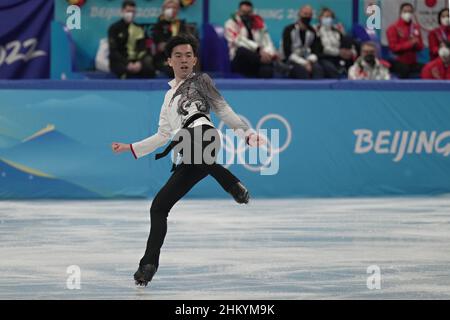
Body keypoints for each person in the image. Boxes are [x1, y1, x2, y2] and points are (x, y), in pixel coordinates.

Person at [111, 35, 264, 287]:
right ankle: (147, 265)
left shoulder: (202, 80)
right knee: (159, 207)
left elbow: (223, 109)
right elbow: (162, 135)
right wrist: (131, 147)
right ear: (169, 60)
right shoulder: (168, 98)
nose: (184, 60)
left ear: (195, 60)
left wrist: (246, 133)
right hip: (189, 151)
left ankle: (232, 184)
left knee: (191, 139)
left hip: (204, 134)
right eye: (178, 56)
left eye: (188, 55)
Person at [224, 1, 277, 78]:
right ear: (238, 11)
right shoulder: (231, 23)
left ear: (252, 12)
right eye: (243, 12)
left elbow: (267, 41)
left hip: (257, 60)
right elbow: (238, 40)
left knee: (267, 70)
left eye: (248, 12)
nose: (246, 15)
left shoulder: (259, 23)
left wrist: (269, 53)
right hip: (239, 60)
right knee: (241, 50)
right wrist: (258, 49)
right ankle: (273, 64)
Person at [108, 0, 155, 79]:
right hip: (122, 61)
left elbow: (143, 48)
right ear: (122, 11)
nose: (131, 14)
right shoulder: (114, 28)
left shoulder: (139, 28)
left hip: (136, 60)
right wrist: (127, 63)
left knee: (150, 69)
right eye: (128, 11)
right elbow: (113, 51)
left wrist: (139, 63)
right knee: (120, 69)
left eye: (133, 12)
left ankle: (137, 70)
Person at [152, 0, 198, 77]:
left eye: (174, 8)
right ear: (164, 9)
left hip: (181, 57)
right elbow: (160, 47)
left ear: (178, 10)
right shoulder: (158, 25)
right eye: (169, 7)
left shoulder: (182, 24)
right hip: (163, 58)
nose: (172, 10)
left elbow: (186, 43)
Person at [281, 5, 325, 79]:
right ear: (299, 14)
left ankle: (318, 90)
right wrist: (304, 63)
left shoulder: (313, 31)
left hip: (308, 59)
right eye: (305, 14)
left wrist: (309, 61)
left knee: (318, 69)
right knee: (302, 72)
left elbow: (317, 50)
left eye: (309, 15)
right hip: (292, 60)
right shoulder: (288, 30)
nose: (307, 17)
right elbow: (287, 52)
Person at [316, 7, 357, 78]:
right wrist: (339, 52)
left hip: (338, 57)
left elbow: (346, 43)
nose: (328, 19)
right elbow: (323, 49)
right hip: (324, 58)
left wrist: (350, 52)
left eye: (330, 17)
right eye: (326, 17)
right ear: (320, 18)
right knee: (332, 70)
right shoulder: (316, 31)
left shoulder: (337, 31)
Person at [386, 3, 424, 79]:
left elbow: (421, 46)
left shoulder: (415, 27)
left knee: (426, 68)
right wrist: (409, 44)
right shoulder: (393, 28)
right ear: (400, 13)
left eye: (410, 12)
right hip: (398, 62)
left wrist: (416, 44)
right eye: (405, 11)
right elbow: (393, 48)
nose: (408, 14)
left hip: (413, 62)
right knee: (405, 69)